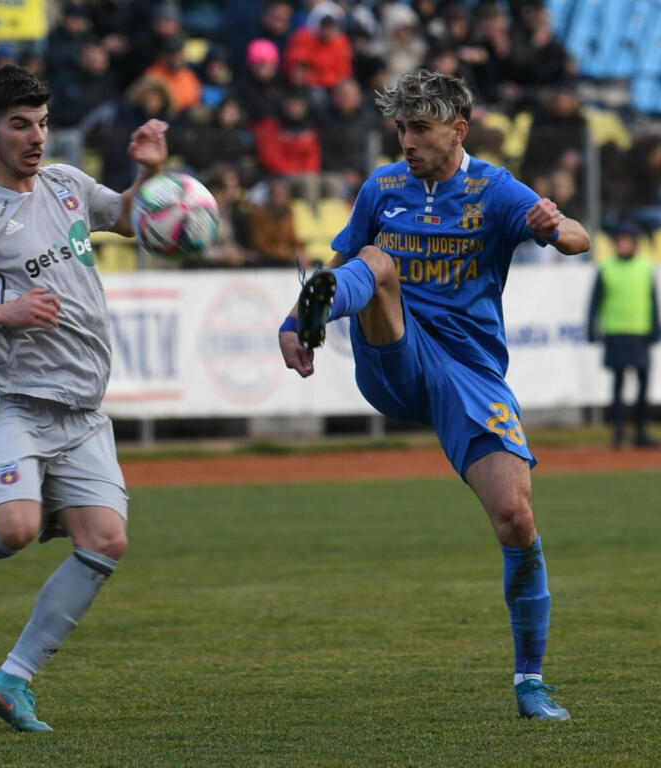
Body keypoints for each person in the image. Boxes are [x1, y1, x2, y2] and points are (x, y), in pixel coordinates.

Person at [278, 69, 591, 720]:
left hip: (470, 372)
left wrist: (555, 226)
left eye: (420, 128)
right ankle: (321, 314)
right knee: (379, 262)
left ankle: (530, 681)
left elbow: (578, 240)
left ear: (459, 130)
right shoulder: (382, 187)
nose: (407, 141)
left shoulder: (496, 190)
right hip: (393, 352)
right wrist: (294, 322)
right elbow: (345, 264)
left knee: (516, 517)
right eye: (400, 128)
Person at [0, 64, 168, 733]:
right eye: (20, 124)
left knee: (106, 540)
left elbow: (130, 220)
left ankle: (12, 680)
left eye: (42, 122)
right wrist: (3, 313)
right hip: (17, 404)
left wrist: (150, 176)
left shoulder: (68, 185)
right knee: (13, 530)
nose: (36, 136)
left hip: (82, 412)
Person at [587, 220, 661, 449]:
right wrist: (592, 328)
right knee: (618, 385)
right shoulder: (607, 267)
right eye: (620, 241)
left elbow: (654, 301)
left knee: (643, 384)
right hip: (616, 331)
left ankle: (641, 431)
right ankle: (619, 433)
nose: (623, 245)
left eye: (627, 241)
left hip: (640, 332)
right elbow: (594, 302)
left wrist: (655, 328)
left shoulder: (646, 267)